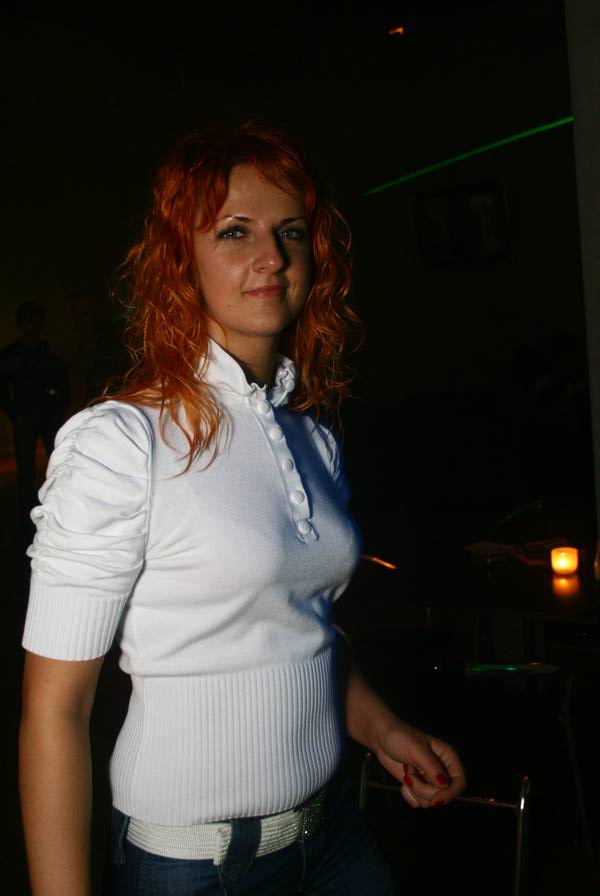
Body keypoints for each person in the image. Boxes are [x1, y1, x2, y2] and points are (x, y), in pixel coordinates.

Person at [19, 121, 466, 896]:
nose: (273, 256)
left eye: (290, 231)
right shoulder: (121, 442)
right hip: (198, 866)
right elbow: (55, 713)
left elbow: (302, 631)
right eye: (235, 231)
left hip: (333, 834)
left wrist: (383, 727)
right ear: (180, 261)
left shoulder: (312, 439)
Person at [0, 301, 70, 535]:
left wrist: (60, 408)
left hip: (48, 416)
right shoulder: (11, 355)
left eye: (38, 320)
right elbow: (2, 388)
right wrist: (14, 413)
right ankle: (27, 518)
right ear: (21, 324)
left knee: (58, 463)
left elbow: (62, 380)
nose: (35, 325)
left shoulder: (48, 351)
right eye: (30, 321)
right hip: (26, 417)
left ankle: (58, 510)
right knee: (26, 470)